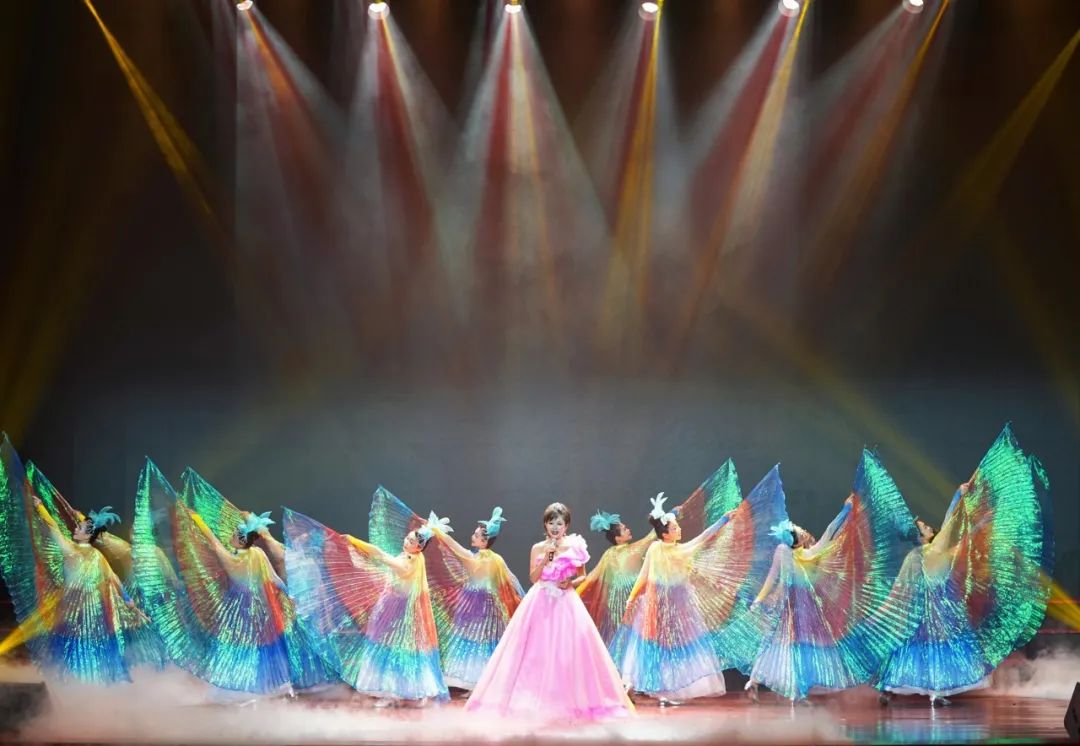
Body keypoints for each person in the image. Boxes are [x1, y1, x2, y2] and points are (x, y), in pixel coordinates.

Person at [874, 425, 1051, 706]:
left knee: (914, 652)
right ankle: (918, 691)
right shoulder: (927, 552)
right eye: (924, 526)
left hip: (927, 616)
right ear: (922, 536)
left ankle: (894, 689)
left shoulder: (921, 555)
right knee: (930, 652)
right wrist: (960, 497)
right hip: (932, 615)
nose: (928, 527)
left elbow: (955, 532)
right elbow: (952, 523)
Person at [744, 449, 916, 703]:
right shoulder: (784, 553)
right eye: (799, 532)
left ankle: (794, 689)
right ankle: (756, 682)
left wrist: (846, 511)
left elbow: (830, 532)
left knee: (799, 648)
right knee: (775, 643)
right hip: (786, 609)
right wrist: (759, 600)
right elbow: (772, 579)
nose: (804, 534)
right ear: (793, 538)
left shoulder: (809, 555)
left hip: (804, 612)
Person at [612, 466, 788, 705]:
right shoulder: (656, 549)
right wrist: (632, 598)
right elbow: (644, 576)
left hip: (677, 608)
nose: (679, 529)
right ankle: (635, 686)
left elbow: (703, 538)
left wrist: (723, 521)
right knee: (651, 646)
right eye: (675, 528)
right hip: (658, 608)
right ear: (665, 534)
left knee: (672, 647)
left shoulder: (678, 550)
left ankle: (666, 689)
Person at [464, 502, 634, 721]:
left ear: (566, 526)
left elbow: (583, 575)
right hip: (540, 599)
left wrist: (571, 582)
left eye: (559, 523)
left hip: (566, 602)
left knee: (568, 652)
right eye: (551, 523)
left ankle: (571, 702)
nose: (555, 527)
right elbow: (533, 577)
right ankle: (530, 700)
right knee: (534, 652)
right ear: (545, 525)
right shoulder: (538, 548)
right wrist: (545, 559)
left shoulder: (575, 546)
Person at [284, 507, 449, 704]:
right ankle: (400, 690)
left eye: (412, 541)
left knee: (391, 647)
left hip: (397, 610)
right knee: (389, 647)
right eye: (407, 538)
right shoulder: (413, 557)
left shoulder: (410, 562)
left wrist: (355, 542)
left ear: (419, 547)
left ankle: (396, 691)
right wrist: (355, 542)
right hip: (392, 606)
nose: (406, 541)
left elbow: (381, 555)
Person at [578, 459, 743, 647]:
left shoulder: (663, 549)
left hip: (661, 601)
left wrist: (722, 521)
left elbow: (698, 539)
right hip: (643, 600)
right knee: (641, 638)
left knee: (658, 638)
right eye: (623, 529)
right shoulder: (643, 549)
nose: (628, 530)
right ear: (617, 538)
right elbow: (647, 552)